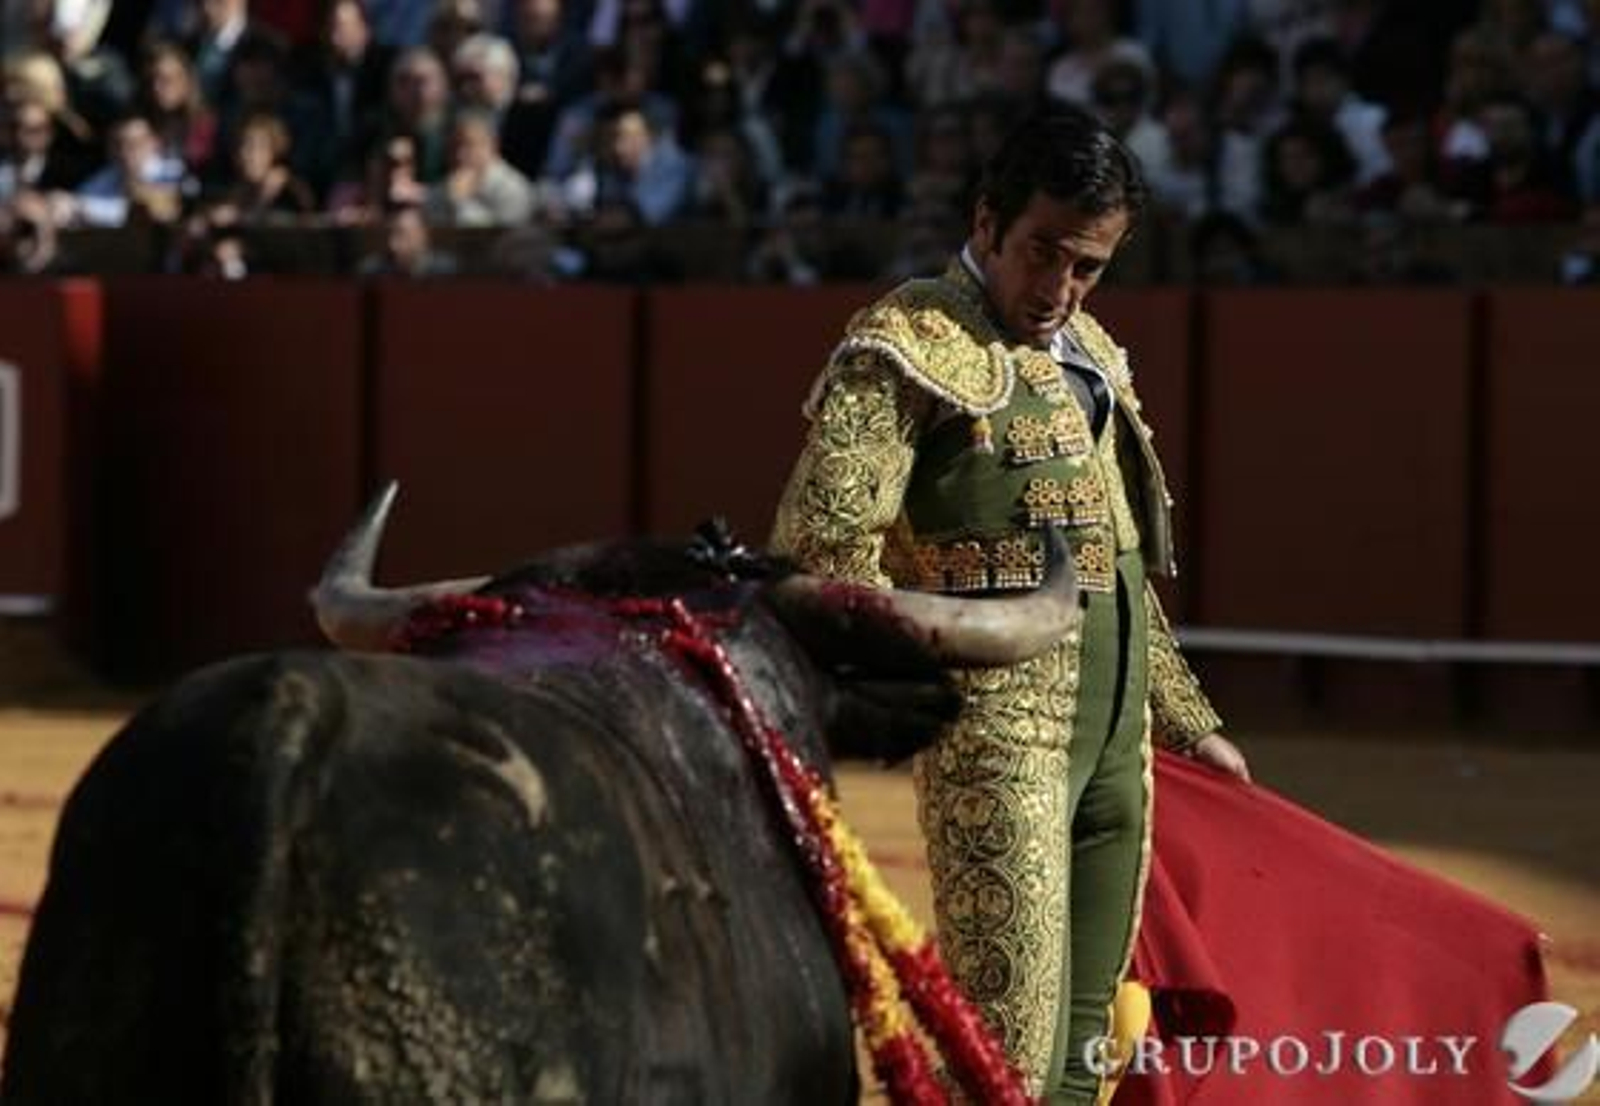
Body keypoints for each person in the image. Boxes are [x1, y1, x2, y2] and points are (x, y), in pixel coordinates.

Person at [770, 103, 1248, 1104]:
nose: (1060, 290)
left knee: (1085, 1043)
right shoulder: (909, 339)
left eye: (1088, 267)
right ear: (986, 222)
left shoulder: (1092, 353)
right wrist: (910, 690)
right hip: (997, 738)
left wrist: (1188, 720)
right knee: (1006, 1050)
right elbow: (822, 544)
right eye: (1043, 253)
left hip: (1117, 744)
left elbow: (1118, 563)